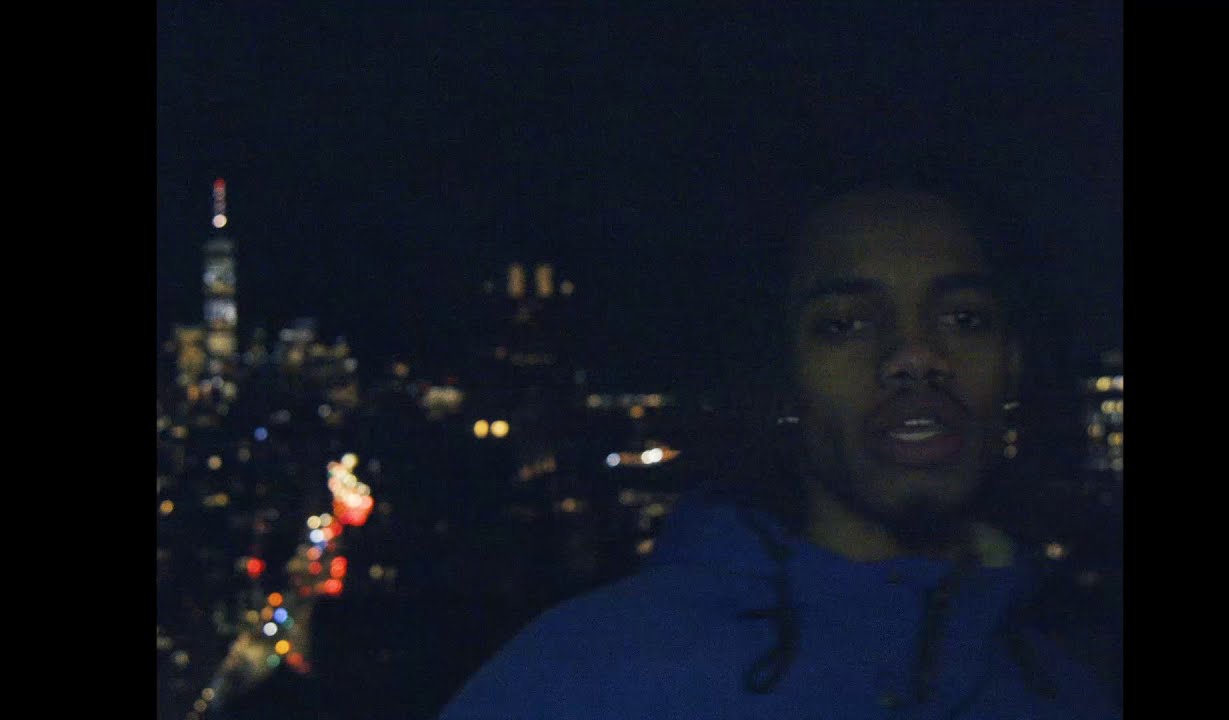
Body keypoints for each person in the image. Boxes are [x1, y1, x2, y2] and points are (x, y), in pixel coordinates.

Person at [437, 183, 1120, 719]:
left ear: (1012, 365)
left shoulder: (1067, 693)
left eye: (965, 318)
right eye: (845, 324)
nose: (916, 355)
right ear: (784, 379)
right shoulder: (586, 678)